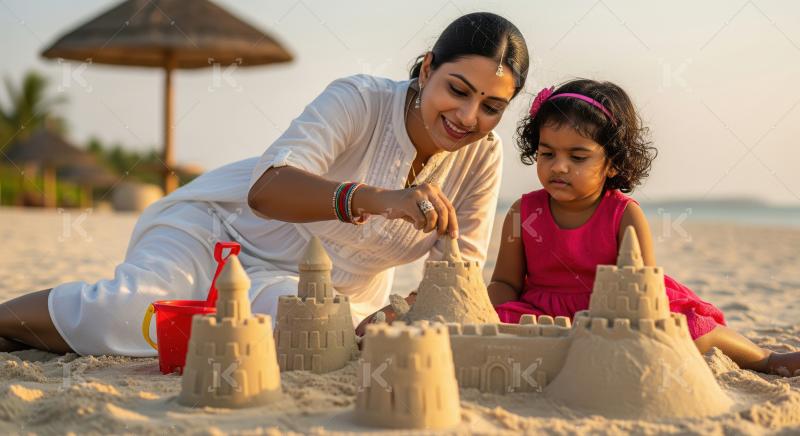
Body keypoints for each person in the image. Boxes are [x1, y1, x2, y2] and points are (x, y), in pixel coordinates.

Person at [0, 12, 530, 356]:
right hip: (216, 235)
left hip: (320, 293)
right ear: (427, 69)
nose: (467, 116)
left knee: (317, 344)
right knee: (124, 312)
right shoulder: (361, 100)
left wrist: (398, 311)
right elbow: (267, 190)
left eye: (491, 108)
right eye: (457, 90)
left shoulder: (482, 158)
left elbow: (454, 275)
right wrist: (379, 200)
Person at [489, 79, 800, 376]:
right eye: (547, 153)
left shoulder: (623, 215)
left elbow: (643, 289)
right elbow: (505, 281)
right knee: (501, 323)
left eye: (578, 156)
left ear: (612, 163)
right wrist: (492, 313)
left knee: (693, 331)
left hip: (617, 310)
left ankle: (767, 359)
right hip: (543, 313)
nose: (558, 166)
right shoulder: (523, 212)